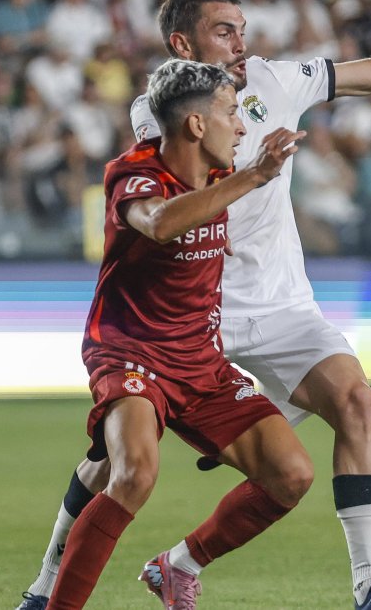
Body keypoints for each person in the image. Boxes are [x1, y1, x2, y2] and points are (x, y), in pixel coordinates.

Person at [19, 0, 371, 610]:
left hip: (281, 305)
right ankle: (45, 588)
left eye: (242, 29)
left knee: (354, 401)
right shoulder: (162, 109)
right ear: (183, 45)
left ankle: (367, 586)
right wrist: (255, 169)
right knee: (119, 463)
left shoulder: (276, 80)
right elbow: (170, 202)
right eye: (224, 31)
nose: (241, 43)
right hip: (189, 313)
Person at [43, 58, 313, 609]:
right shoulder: (134, 172)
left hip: (200, 359)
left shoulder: (216, 176)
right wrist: (253, 176)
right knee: (134, 473)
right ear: (195, 124)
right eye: (231, 113)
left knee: (291, 474)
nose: (242, 127)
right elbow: (161, 222)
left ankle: (178, 565)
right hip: (131, 352)